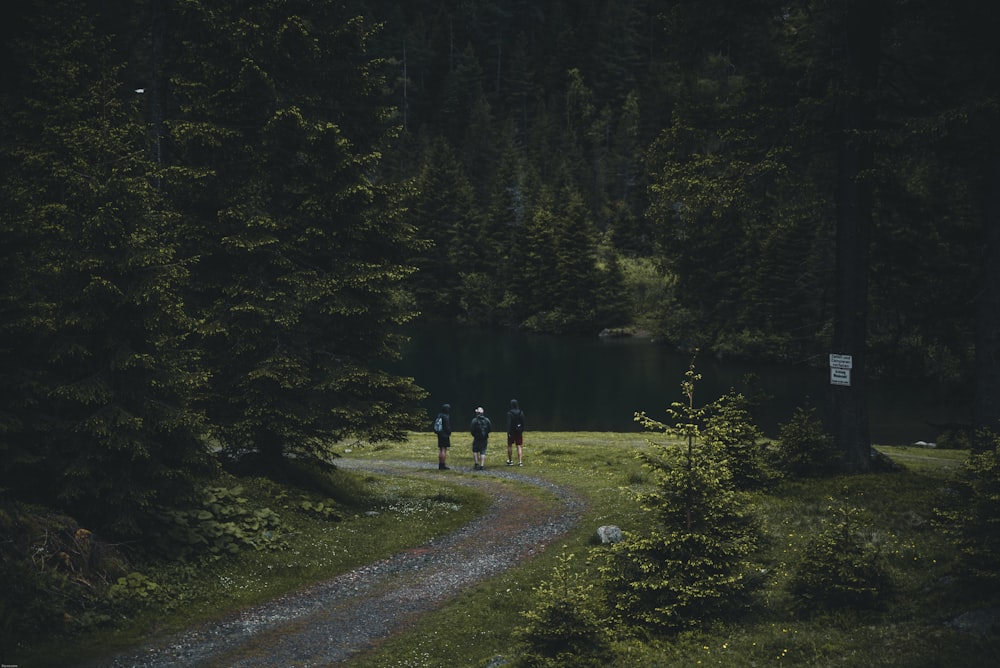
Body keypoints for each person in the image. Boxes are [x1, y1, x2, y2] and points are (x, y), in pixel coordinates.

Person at [470, 406, 492, 470]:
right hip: (484, 438)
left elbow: (472, 430)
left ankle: (476, 463)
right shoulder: (487, 420)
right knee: (483, 451)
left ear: (477, 413)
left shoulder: (474, 420)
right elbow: (490, 429)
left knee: (475, 450)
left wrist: (474, 435)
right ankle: (482, 465)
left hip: (476, 438)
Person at [506, 399, 525, 466]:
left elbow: (508, 424)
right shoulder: (520, 412)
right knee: (519, 446)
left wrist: (508, 432)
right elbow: (523, 422)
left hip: (512, 432)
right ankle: (520, 462)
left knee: (510, 446)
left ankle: (510, 461)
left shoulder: (509, 413)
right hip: (518, 431)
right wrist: (522, 430)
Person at [433, 403, 452, 470]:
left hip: (440, 434)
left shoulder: (439, 415)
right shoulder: (446, 416)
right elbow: (447, 427)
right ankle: (442, 465)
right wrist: (449, 432)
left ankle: (440, 464)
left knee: (441, 449)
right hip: (444, 435)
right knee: (444, 449)